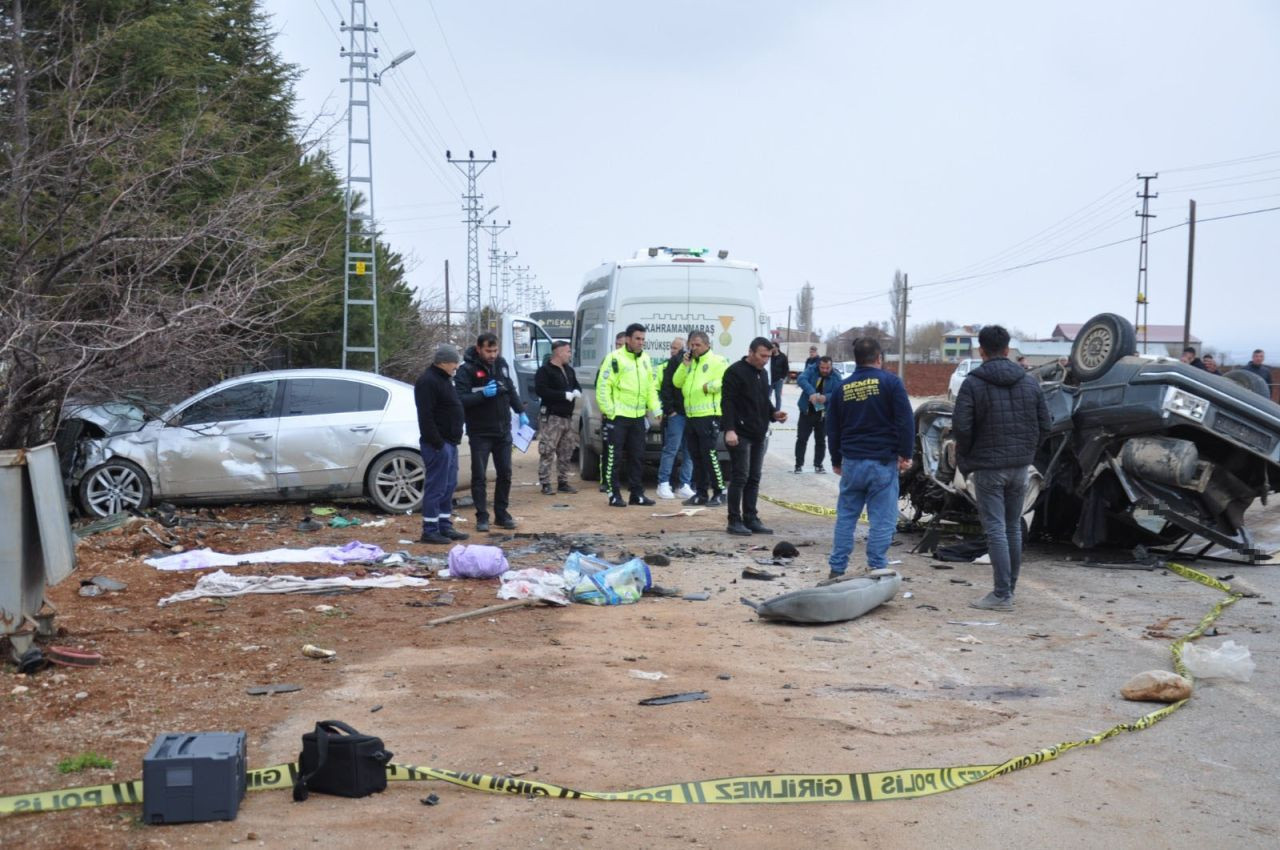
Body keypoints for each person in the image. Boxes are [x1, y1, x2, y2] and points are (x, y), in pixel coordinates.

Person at [952, 325, 1051, 611]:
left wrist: (969, 457)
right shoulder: (1030, 382)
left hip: (987, 468)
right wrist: (1027, 451)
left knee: (995, 528)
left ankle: (1002, 594)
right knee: (1011, 527)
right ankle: (1008, 589)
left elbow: (962, 427)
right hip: (1020, 467)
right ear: (1008, 350)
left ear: (981, 351)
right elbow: (1045, 425)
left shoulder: (973, 383)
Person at [825, 338, 913, 580]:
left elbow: (832, 428)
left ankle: (837, 569)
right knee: (882, 520)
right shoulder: (891, 383)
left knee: (846, 517)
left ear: (856, 360)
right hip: (882, 462)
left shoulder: (842, 388)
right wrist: (906, 454)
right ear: (879, 358)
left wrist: (836, 460)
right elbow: (905, 420)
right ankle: (877, 567)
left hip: (852, 462)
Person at [454, 332, 527, 532]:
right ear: (479, 349)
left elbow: (510, 389)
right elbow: (460, 399)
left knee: (505, 473)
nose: (492, 355)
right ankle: (482, 517)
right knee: (479, 476)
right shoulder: (466, 370)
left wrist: (520, 411)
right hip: (480, 431)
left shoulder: (501, 364)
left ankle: (501, 514)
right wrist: (482, 395)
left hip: (503, 430)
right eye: (488, 351)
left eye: (495, 350)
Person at [722, 337, 787, 535]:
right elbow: (727, 403)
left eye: (768, 356)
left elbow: (762, 401)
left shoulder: (764, 373)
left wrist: (774, 413)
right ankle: (734, 520)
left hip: (759, 433)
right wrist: (729, 429)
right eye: (762, 356)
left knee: (754, 477)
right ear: (751, 352)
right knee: (740, 476)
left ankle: (751, 518)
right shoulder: (735, 372)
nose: (765, 360)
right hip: (740, 434)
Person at [598, 323, 662, 507]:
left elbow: (650, 386)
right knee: (614, 457)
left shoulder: (645, 360)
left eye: (643, 339)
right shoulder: (614, 359)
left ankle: (637, 494)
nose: (641, 342)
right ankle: (613, 494)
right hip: (617, 417)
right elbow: (603, 386)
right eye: (637, 338)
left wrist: (656, 409)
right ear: (627, 339)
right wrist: (609, 411)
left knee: (638, 456)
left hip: (638, 417)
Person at [414, 344, 468, 545]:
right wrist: (437, 442)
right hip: (438, 444)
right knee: (436, 487)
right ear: (444, 362)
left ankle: (444, 525)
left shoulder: (444, 379)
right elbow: (425, 416)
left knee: (448, 485)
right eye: (454, 362)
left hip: (450, 443)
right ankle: (430, 529)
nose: (456, 366)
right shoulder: (428, 381)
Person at [674, 330, 730, 507]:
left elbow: (725, 380)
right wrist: (684, 365)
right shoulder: (691, 363)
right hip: (691, 415)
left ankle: (720, 492)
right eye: (692, 344)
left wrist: (708, 387)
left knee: (709, 455)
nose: (694, 348)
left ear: (707, 345)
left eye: (698, 344)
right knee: (695, 456)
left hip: (708, 415)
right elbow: (676, 382)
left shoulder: (717, 360)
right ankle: (701, 493)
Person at [534, 340, 581, 496]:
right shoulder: (545, 371)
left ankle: (563, 482)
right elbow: (541, 390)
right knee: (548, 450)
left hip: (567, 417)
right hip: (552, 417)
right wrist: (562, 395)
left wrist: (576, 391)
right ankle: (545, 483)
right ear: (559, 352)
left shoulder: (569, 370)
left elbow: (576, 385)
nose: (569, 355)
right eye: (567, 352)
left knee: (566, 451)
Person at [656, 336, 695, 500]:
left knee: (689, 451)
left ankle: (685, 485)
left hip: (693, 414)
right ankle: (663, 483)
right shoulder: (674, 362)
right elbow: (666, 387)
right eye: (672, 347)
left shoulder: (700, 362)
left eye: (677, 348)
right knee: (671, 448)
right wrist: (670, 410)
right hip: (677, 414)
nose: (674, 350)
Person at [594, 332, 629, 491]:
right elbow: (599, 385)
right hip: (611, 414)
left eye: (622, 345)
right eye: (617, 345)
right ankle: (606, 481)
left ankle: (627, 480)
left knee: (629, 450)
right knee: (608, 449)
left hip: (628, 414)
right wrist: (606, 408)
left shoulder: (632, 361)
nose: (619, 348)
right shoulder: (608, 361)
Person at [794, 355, 833, 474]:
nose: (825, 370)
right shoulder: (811, 369)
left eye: (827, 368)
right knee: (801, 438)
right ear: (818, 366)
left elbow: (839, 392)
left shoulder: (836, 376)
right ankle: (798, 465)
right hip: (807, 411)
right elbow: (801, 379)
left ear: (831, 366)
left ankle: (818, 465)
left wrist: (826, 397)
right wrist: (812, 393)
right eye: (822, 368)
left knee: (821, 440)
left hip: (823, 413)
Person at [769, 342, 790, 410]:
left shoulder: (783, 356)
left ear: (777, 347)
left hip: (779, 380)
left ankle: (777, 411)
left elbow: (786, 368)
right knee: (768, 396)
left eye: (773, 347)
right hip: (770, 379)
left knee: (778, 396)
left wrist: (782, 378)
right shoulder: (769, 356)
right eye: (771, 347)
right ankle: (768, 409)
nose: (772, 348)